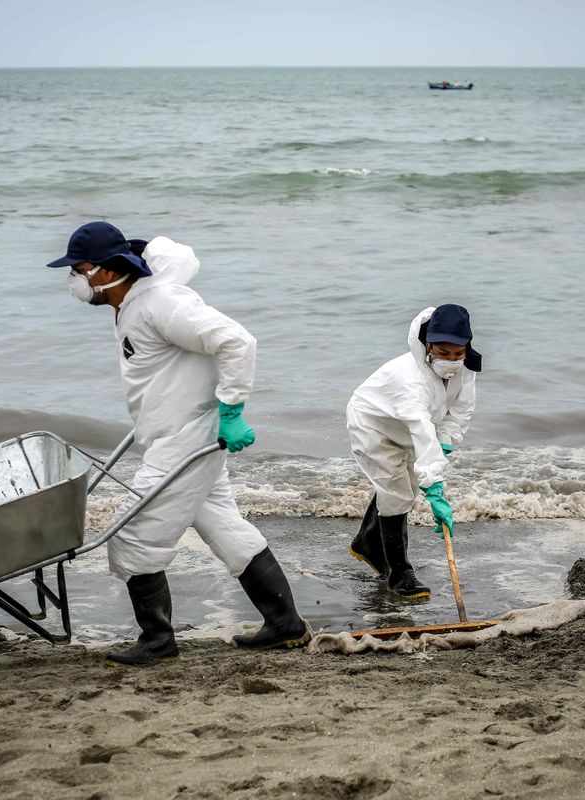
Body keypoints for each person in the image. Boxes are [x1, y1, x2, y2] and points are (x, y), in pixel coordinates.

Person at [46, 221, 309, 666]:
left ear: (110, 270)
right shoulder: (132, 304)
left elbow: (236, 340)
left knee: (132, 533)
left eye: (81, 268)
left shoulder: (161, 303)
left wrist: (231, 410)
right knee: (225, 527)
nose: (74, 279)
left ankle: (157, 641)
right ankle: (286, 625)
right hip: (174, 435)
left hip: (187, 439)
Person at [345, 305, 480, 599]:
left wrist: (445, 440)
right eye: (444, 353)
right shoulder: (410, 379)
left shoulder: (465, 370)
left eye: (459, 353)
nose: (453, 361)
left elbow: (460, 410)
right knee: (397, 492)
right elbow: (420, 426)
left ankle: (366, 542)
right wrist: (435, 486)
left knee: (403, 485)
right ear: (428, 345)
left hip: (407, 428)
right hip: (373, 424)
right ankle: (399, 572)